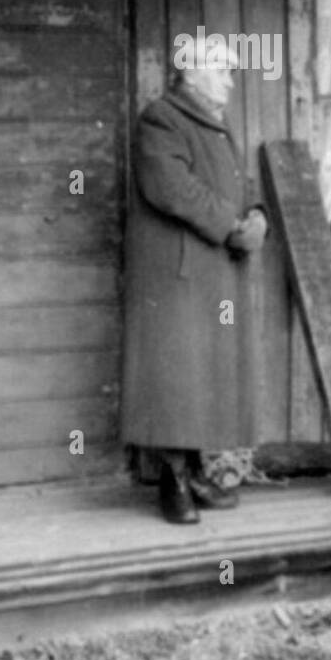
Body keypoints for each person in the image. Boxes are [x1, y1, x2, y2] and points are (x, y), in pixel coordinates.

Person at [120, 37, 268, 524]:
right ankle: (173, 482)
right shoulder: (161, 119)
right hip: (178, 276)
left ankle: (196, 474)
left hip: (214, 270)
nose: (229, 79)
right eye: (221, 69)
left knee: (206, 373)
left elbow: (241, 184)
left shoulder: (217, 125)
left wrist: (258, 217)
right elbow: (172, 189)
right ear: (191, 73)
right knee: (177, 377)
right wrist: (231, 226)